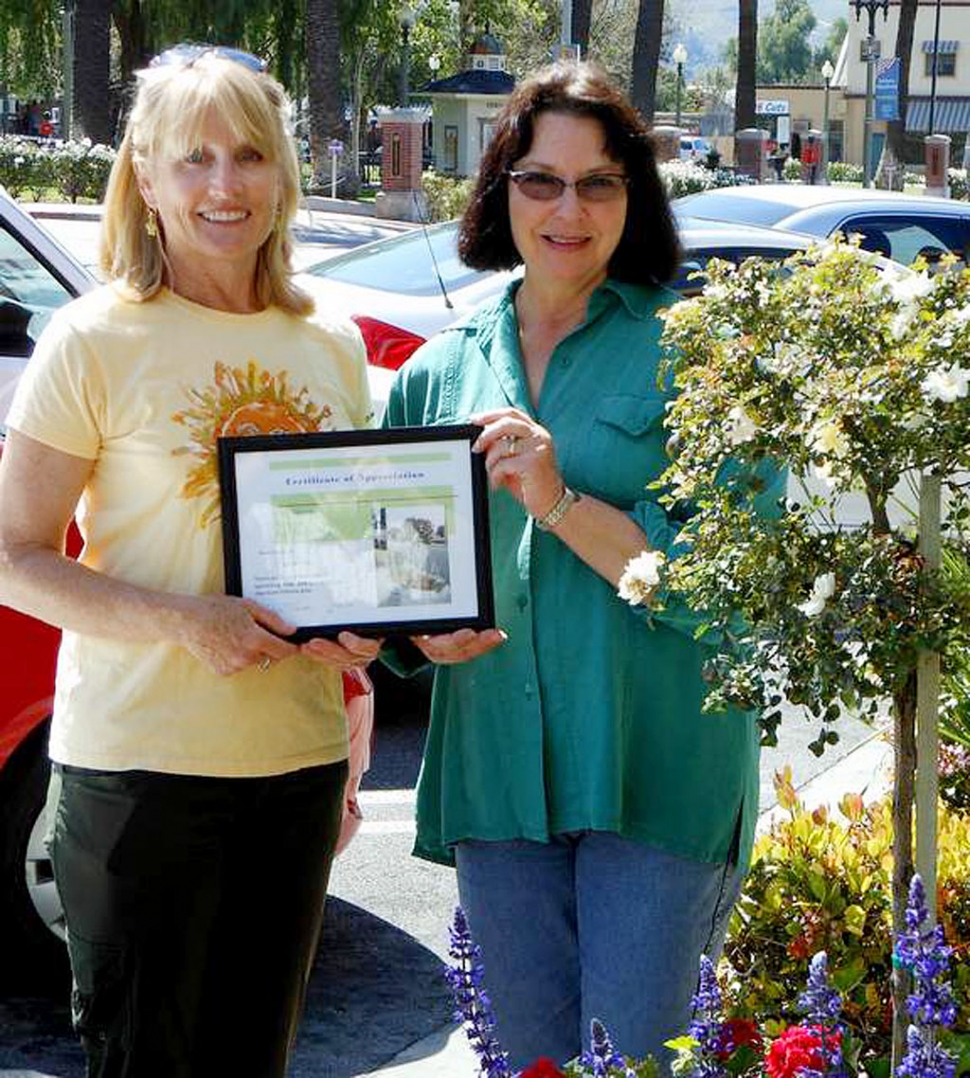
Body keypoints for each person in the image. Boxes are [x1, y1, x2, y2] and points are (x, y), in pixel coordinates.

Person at [384, 61, 781, 1071]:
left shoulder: (702, 353)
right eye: (540, 180)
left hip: (656, 776)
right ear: (498, 188)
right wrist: (415, 631)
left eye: (599, 181)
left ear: (633, 197)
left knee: (632, 1062)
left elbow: (730, 592)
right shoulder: (440, 368)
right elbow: (394, 581)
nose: (569, 208)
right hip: (499, 778)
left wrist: (560, 501)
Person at [0, 44, 380, 1078]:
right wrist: (185, 622)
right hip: (138, 776)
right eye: (195, 158)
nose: (225, 184)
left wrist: (368, 635)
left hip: (294, 773)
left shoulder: (331, 343)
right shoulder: (93, 339)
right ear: (147, 177)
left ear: (283, 175)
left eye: (250, 155)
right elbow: (15, 557)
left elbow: (346, 545)